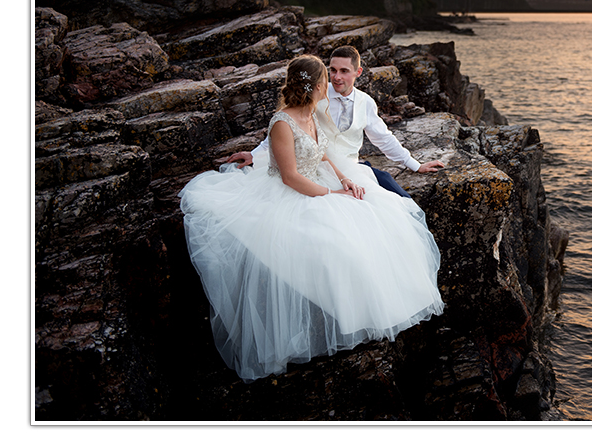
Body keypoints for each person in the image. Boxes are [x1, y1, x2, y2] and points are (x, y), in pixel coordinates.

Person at [179, 55, 445, 382]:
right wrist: (330, 194)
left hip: (324, 179)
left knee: (385, 214)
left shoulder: (315, 113)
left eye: (340, 72)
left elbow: (324, 153)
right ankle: (347, 317)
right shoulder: (283, 121)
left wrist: (345, 181)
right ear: (318, 85)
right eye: (327, 77)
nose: (332, 81)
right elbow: (289, 175)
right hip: (295, 192)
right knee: (336, 243)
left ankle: (371, 309)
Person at [228, 45, 444, 199]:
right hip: (317, 170)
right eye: (332, 70)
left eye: (344, 71)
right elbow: (286, 131)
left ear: (357, 73)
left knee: (400, 199)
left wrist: (416, 165)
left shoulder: (365, 102)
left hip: (350, 167)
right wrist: (255, 154)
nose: (336, 77)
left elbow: (384, 139)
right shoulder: (314, 94)